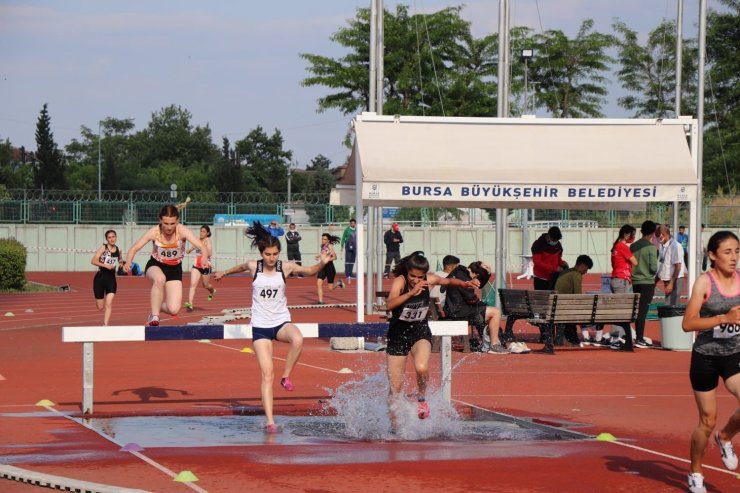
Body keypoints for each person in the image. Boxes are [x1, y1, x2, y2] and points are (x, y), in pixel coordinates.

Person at [213, 222, 333, 433]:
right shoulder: (254, 266)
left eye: (275, 254)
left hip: (280, 322)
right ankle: (270, 421)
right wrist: (224, 272)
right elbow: (240, 267)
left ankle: (286, 376)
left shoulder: (285, 267)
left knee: (298, 338)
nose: (272, 258)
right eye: (268, 254)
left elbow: (309, 271)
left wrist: (322, 263)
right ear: (262, 253)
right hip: (260, 327)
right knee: (266, 375)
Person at [385, 251, 476, 430]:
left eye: (420, 277)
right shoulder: (401, 281)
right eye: (413, 276)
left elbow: (449, 281)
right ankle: (394, 428)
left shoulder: (429, 279)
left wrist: (466, 284)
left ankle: (421, 398)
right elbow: (389, 305)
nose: (416, 280)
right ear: (407, 271)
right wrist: (411, 293)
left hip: (419, 331)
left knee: (421, 367)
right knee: (395, 388)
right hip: (397, 335)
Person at [681, 231, 740, 493]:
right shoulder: (704, 284)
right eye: (727, 252)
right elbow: (688, 323)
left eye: (737, 251)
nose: (734, 257)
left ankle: (725, 437)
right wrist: (722, 319)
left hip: (734, 354)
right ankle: (695, 473)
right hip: (705, 356)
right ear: (712, 255)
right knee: (707, 420)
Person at [124, 203, 207, 326]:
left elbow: (201, 246)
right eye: (166, 224)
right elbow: (134, 248)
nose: (169, 227)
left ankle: (158, 308)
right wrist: (128, 262)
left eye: (172, 223)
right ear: (160, 221)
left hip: (175, 269)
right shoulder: (154, 232)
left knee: (173, 309)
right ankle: (155, 316)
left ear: (177, 221)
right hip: (156, 265)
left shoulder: (182, 231)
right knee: (159, 279)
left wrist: (204, 259)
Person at [443, 260, 508, 354]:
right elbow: (471, 299)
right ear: (476, 274)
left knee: (485, 310)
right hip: (458, 313)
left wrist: (488, 273)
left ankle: (487, 344)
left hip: (454, 310)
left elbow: (479, 286)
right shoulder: (463, 278)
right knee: (495, 312)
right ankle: (494, 345)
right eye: (477, 277)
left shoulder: (459, 272)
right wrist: (479, 303)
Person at [553, 255, 598, 349]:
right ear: (582, 265)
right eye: (586, 269)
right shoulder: (576, 274)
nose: (586, 272)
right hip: (565, 307)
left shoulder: (566, 272)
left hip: (557, 305)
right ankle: (573, 339)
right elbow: (578, 295)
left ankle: (566, 338)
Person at [608, 224, 638, 347]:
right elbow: (635, 261)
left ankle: (619, 334)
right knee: (620, 309)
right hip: (621, 279)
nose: (633, 237)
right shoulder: (622, 246)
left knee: (619, 307)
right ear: (626, 234)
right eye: (632, 234)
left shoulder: (615, 247)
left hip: (618, 278)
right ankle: (616, 337)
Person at [631, 220, 659, 348]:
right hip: (647, 282)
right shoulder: (651, 247)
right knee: (642, 312)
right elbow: (653, 268)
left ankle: (638, 336)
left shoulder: (633, 246)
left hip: (635, 280)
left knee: (636, 309)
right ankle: (639, 337)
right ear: (653, 232)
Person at [91, 229, 122, 326]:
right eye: (109, 237)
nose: (112, 239)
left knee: (109, 303)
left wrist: (122, 264)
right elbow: (93, 261)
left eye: (113, 237)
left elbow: (120, 261)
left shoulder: (117, 249)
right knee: (100, 307)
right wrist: (106, 266)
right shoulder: (103, 248)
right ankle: (99, 301)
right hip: (100, 278)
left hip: (111, 279)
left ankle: (105, 325)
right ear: (106, 239)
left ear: (116, 237)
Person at [184, 225, 216, 312]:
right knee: (193, 284)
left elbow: (209, 254)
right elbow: (194, 246)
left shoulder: (208, 241)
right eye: (201, 231)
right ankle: (190, 303)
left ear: (207, 233)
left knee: (205, 285)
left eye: (203, 232)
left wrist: (203, 248)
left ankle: (212, 291)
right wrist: (190, 250)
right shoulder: (198, 240)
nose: (201, 233)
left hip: (205, 265)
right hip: (196, 265)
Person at [655, 224, 687, 306]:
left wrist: (671, 283)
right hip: (667, 279)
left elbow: (678, 266)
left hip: (675, 280)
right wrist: (656, 279)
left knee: (672, 304)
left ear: (664, 235)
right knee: (668, 303)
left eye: (659, 237)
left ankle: (673, 318)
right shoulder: (662, 245)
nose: (658, 239)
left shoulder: (675, 246)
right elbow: (662, 263)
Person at [531, 226, 568, 290]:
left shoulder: (558, 245)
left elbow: (558, 258)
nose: (555, 242)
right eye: (554, 240)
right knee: (542, 299)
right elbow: (538, 263)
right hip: (541, 278)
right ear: (548, 236)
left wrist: (562, 263)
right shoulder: (538, 244)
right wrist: (554, 268)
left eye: (557, 240)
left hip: (554, 278)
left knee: (554, 299)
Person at [316, 233, 345, 304]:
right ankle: (320, 301)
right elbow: (323, 254)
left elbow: (335, 257)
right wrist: (319, 257)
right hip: (323, 268)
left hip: (330, 268)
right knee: (318, 283)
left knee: (330, 288)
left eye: (325, 239)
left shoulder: (330, 246)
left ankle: (339, 283)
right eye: (322, 239)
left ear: (328, 240)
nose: (323, 240)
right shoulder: (322, 246)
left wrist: (326, 260)